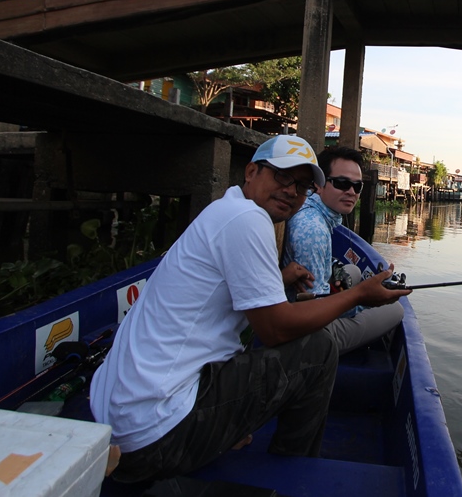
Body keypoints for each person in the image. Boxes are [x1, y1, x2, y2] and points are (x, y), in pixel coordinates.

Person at [89, 135, 410, 484]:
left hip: (116, 422)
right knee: (319, 349)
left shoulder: (224, 210)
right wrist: (358, 295)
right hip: (154, 438)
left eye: (302, 185)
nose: (291, 191)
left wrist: (281, 276)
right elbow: (272, 329)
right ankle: (292, 474)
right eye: (282, 176)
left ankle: (223, 429)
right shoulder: (247, 219)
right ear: (252, 171)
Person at [282, 146, 404, 355]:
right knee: (396, 310)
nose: (351, 192)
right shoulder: (314, 230)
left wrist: (335, 273)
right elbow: (315, 308)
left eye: (357, 187)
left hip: (299, 304)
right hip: (305, 335)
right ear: (318, 185)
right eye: (341, 183)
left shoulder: (310, 210)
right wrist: (365, 300)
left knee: (353, 272)